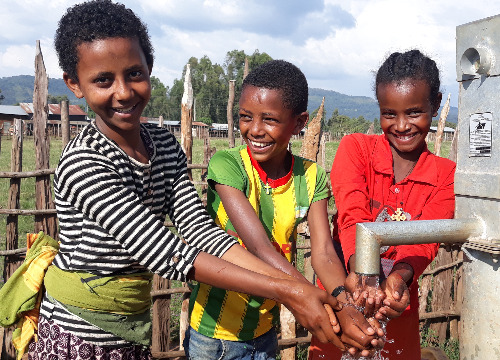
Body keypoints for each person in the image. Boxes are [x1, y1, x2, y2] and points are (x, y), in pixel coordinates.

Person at [20, 1, 346, 359]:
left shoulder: (162, 144)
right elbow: (171, 254)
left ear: (150, 68)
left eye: (134, 73)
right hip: (77, 335)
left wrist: (298, 290)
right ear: (74, 84)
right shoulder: (85, 161)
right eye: (103, 80)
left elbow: (200, 232)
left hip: (131, 328)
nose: (124, 92)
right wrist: (290, 292)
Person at [186, 60, 382, 360]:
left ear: (299, 123)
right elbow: (259, 247)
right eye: (246, 117)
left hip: (265, 331)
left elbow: (324, 254)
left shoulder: (312, 176)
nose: (254, 130)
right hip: (215, 335)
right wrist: (319, 303)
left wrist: (342, 302)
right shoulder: (228, 165)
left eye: (270, 120)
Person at [308, 49, 456, 360]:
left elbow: (426, 240)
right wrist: (361, 276)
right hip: (344, 300)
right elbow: (352, 216)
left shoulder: (445, 174)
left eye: (414, 112)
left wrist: (399, 277)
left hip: (396, 303)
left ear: (436, 103)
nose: (401, 125)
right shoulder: (356, 149)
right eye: (389, 113)